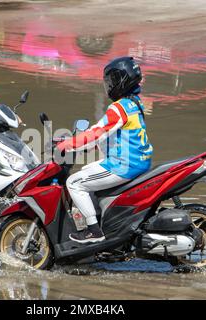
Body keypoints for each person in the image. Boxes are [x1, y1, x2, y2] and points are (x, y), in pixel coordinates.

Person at [57, 56, 154, 244]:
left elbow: (96, 132)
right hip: (139, 161)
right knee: (86, 171)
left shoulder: (118, 108)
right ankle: (101, 217)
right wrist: (87, 143)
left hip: (124, 165)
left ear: (121, 81)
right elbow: (115, 134)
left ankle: (93, 230)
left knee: (74, 182)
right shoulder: (135, 104)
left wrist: (67, 144)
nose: (108, 86)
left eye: (111, 81)